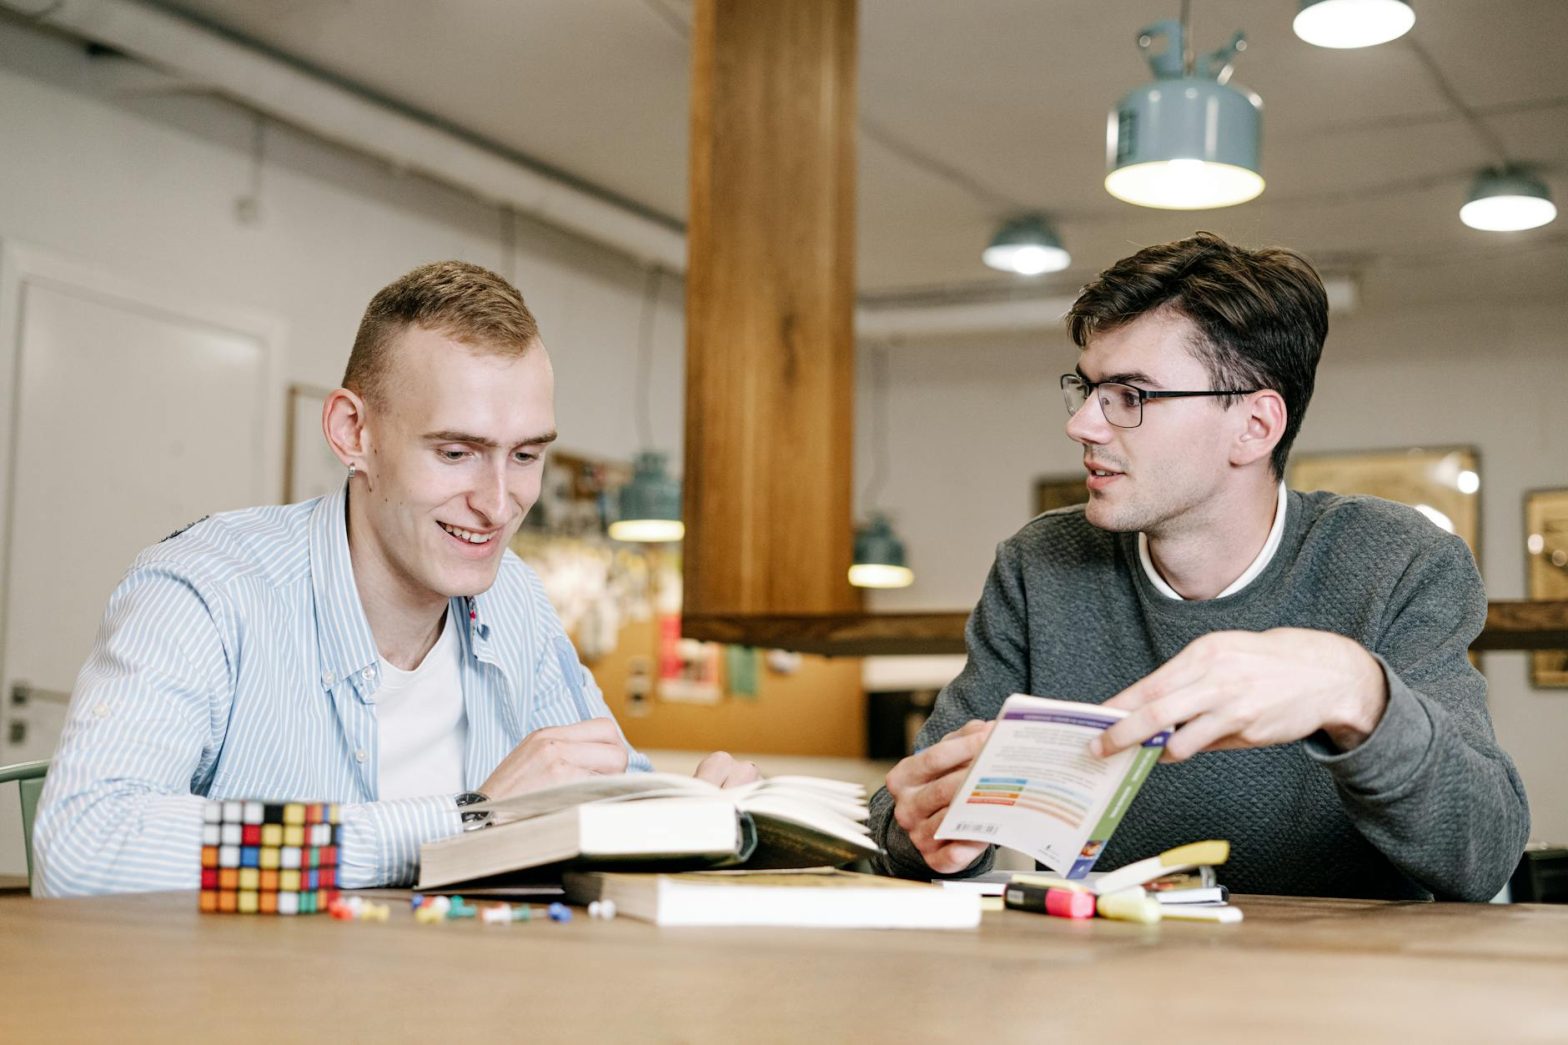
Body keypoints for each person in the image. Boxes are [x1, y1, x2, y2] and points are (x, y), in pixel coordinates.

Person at [33, 260, 757, 896]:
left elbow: (613, 801)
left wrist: (698, 813)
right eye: (456, 452)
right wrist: (460, 822)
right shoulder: (206, 589)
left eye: (526, 455)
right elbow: (84, 842)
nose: (500, 503)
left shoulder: (516, 603)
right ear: (354, 433)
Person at [871, 232, 1529, 901]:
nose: (1084, 426)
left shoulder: (1398, 561)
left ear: (1253, 426)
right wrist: (931, 837)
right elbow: (904, 818)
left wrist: (1359, 693)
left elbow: (1482, 855)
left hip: (1338, 985)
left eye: (1130, 395)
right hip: (1103, 977)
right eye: (1088, 387)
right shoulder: (1040, 565)